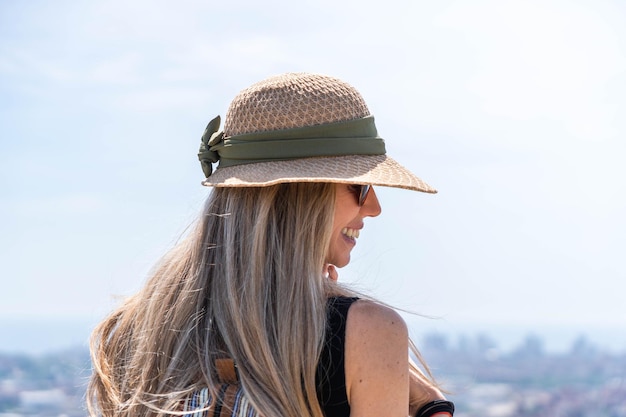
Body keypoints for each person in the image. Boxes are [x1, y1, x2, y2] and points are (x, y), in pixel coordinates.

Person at [87, 72, 454, 417]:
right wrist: (429, 403)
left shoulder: (136, 329)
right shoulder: (368, 330)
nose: (373, 208)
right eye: (360, 185)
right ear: (301, 195)